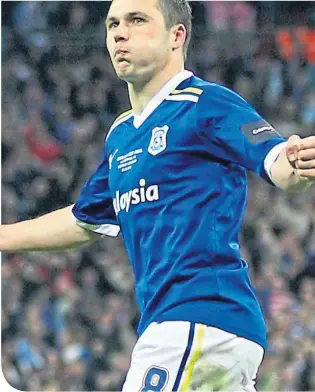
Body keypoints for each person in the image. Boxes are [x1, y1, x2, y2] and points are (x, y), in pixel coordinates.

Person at [1, 0, 315, 390]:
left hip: (198, 317)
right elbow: (85, 220)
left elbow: (276, 161)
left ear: (176, 36)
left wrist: (298, 165)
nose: (119, 32)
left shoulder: (203, 104)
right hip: (204, 331)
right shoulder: (121, 136)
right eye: (112, 23)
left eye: (137, 20)